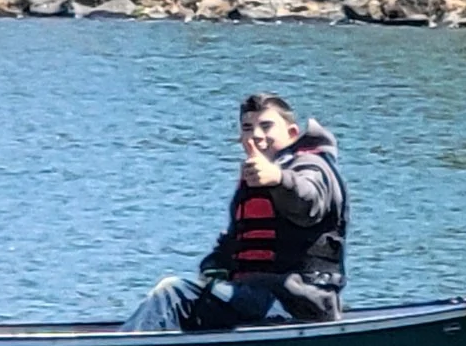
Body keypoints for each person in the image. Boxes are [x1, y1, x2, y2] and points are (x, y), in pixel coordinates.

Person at [121, 92, 348, 332]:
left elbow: (309, 202)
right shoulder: (253, 181)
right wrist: (214, 266)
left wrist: (279, 179)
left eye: (266, 126)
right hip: (253, 297)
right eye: (248, 128)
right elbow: (234, 244)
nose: (257, 135)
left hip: (297, 304)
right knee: (189, 304)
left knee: (172, 293)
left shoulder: (313, 168)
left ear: (292, 133)